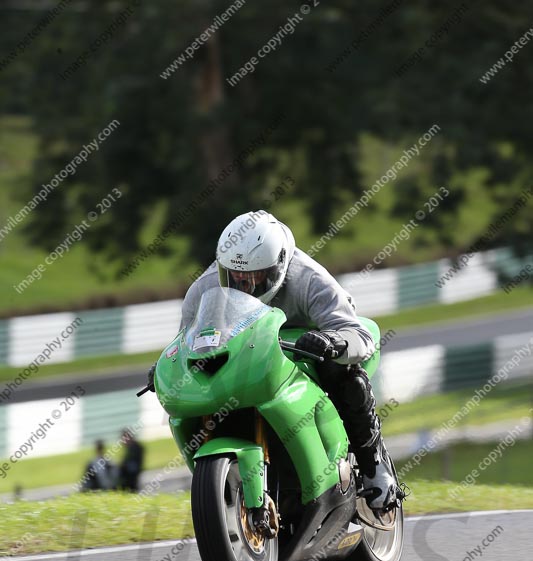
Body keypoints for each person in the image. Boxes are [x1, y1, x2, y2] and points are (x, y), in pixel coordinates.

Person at [148, 210, 397, 510]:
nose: (244, 287)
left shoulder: (308, 279)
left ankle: (373, 467)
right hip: (251, 353)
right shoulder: (203, 289)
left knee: (344, 374)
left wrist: (333, 342)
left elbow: (358, 333)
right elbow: (189, 344)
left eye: (254, 278)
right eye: (234, 278)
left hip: (308, 346)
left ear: (278, 267)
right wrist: (167, 368)